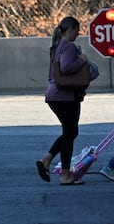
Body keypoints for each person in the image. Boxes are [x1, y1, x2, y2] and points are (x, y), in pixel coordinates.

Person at [36, 16, 89, 185]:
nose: (78, 33)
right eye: (77, 30)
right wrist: (81, 60)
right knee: (69, 134)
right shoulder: (69, 47)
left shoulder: (57, 46)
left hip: (55, 95)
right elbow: (66, 68)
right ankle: (65, 174)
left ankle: (47, 160)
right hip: (64, 96)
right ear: (70, 29)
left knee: (70, 132)